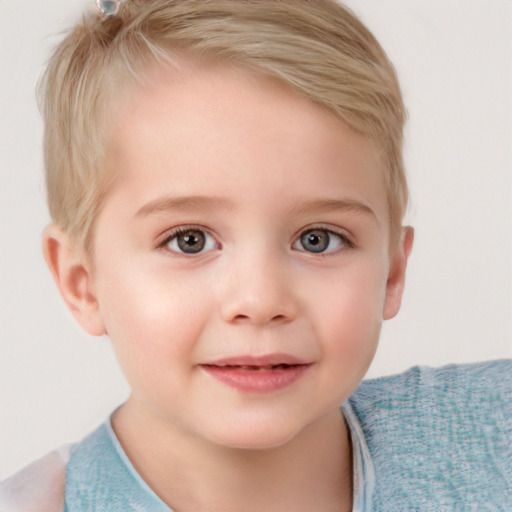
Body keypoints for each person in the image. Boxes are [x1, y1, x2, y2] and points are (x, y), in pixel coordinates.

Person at [0, 0, 510, 510]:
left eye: (318, 238)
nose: (261, 299)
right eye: (189, 240)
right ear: (82, 281)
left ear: (392, 272)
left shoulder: (493, 437)